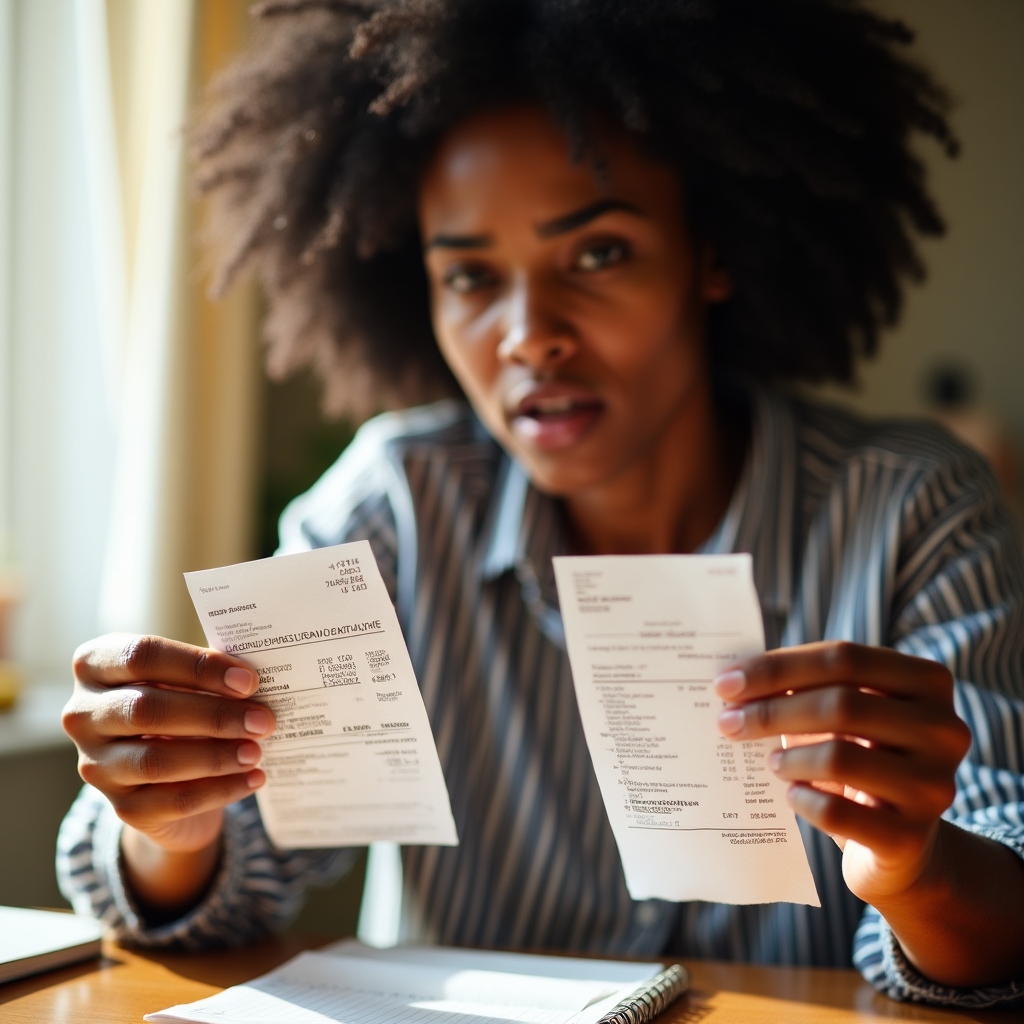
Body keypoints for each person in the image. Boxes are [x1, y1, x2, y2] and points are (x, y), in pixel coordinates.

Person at [58, 0, 1024, 1008]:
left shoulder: (910, 508)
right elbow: (211, 891)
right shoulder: (394, 511)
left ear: (713, 252)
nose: (528, 335)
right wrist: (173, 826)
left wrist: (914, 871)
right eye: (471, 275)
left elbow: (1004, 915)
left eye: (598, 253)